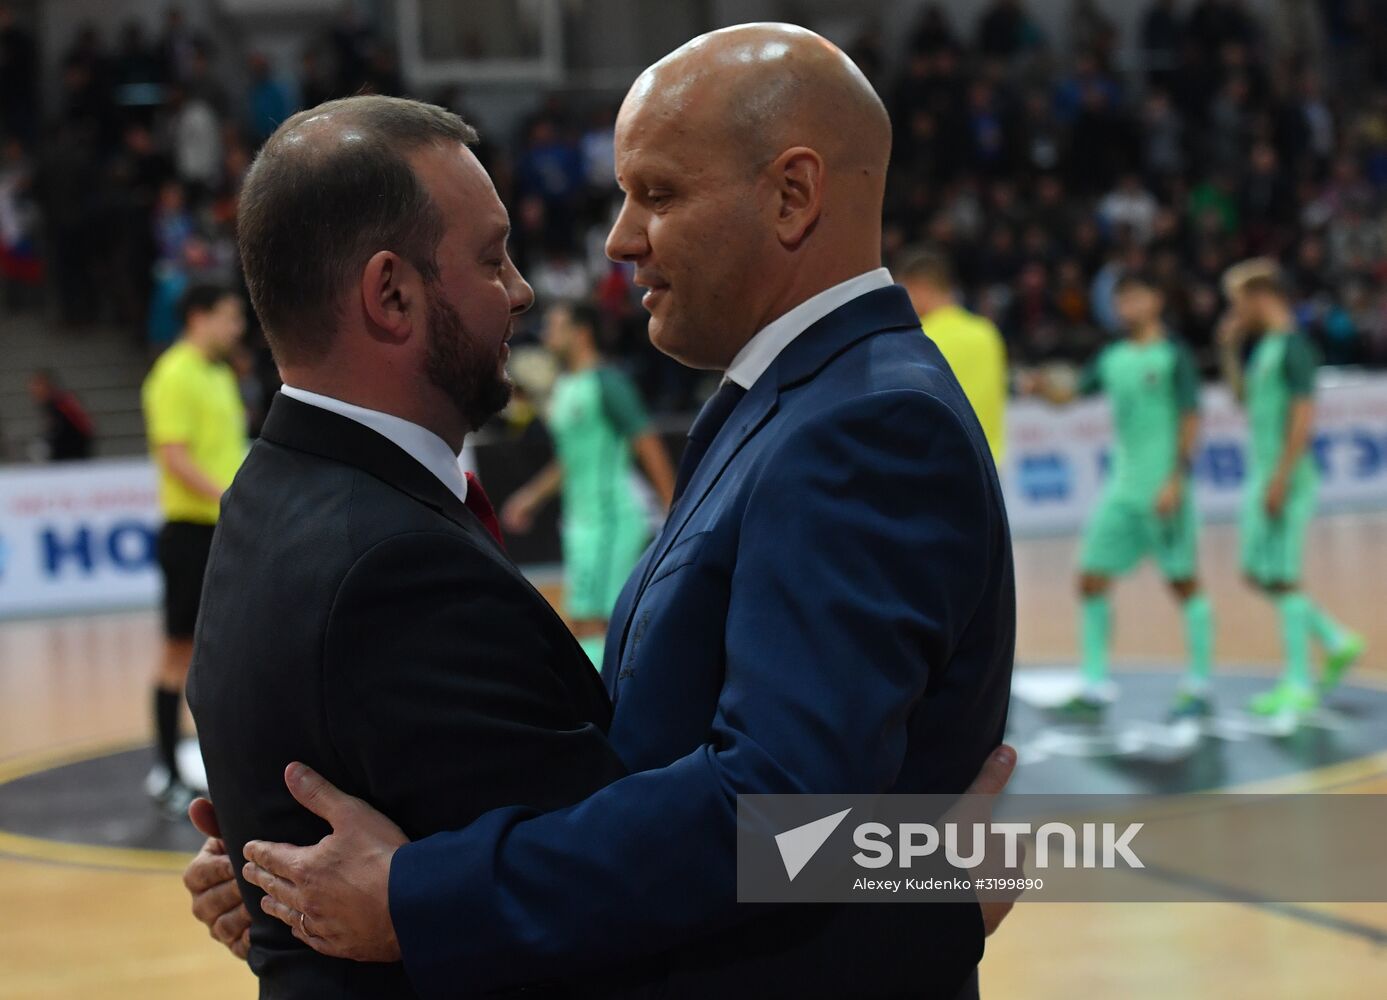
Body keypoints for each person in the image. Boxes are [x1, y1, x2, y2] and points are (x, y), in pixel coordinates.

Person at [202, 26, 1016, 999]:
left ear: (793, 195)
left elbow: (779, 810)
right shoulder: (782, 400)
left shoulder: (868, 423)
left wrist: (416, 895)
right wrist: (292, 885)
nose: (619, 239)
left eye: (658, 194)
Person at [1021, 270, 1214, 718]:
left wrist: (1176, 478)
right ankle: (1093, 683)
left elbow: (1190, 418)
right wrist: (1042, 388)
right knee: (1090, 576)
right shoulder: (1112, 357)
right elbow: (1070, 396)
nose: (1126, 306)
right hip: (1122, 489)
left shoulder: (1174, 356)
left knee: (1183, 583)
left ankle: (1200, 684)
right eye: (1120, 300)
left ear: (1156, 301)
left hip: (1165, 488)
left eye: (1135, 297)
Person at [1218, 259, 1365, 721]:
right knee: (1259, 572)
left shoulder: (1295, 347)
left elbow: (1303, 417)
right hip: (1265, 471)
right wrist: (1228, 349)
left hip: (1285, 473)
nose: (1236, 312)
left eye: (1240, 302)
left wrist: (1281, 476)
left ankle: (1298, 682)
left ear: (1263, 297)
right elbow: (1244, 398)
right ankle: (1336, 640)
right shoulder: (1265, 348)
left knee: (1282, 576)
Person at [501, 299, 675, 666]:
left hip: (611, 521)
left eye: (554, 325)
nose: (546, 333)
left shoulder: (608, 383)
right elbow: (571, 460)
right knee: (584, 625)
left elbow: (648, 445)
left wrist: (677, 514)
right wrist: (531, 497)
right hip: (581, 525)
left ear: (579, 332)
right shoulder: (565, 388)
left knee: (598, 626)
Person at [139, 283, 247, 814]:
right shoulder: (174, 374)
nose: (237, 327)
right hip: (190, 532)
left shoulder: (221, 374)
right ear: (198, 317)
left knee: (225, 652)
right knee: (177, 654)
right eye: (228, 316)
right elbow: (174, 455)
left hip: (224, 529)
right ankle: (164, 770)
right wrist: (227, 497)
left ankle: (220, 761)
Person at [898, 245, 1009, 465]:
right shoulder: (988, 333)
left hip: (939, 470)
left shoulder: (919, 339)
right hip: (991, 470)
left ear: (921, 287)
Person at [27, 369, 94, 460]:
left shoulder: (61, 403)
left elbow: (81, 428)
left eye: (37, 385)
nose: (33, 389)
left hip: (73, 454)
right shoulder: (54, 403)